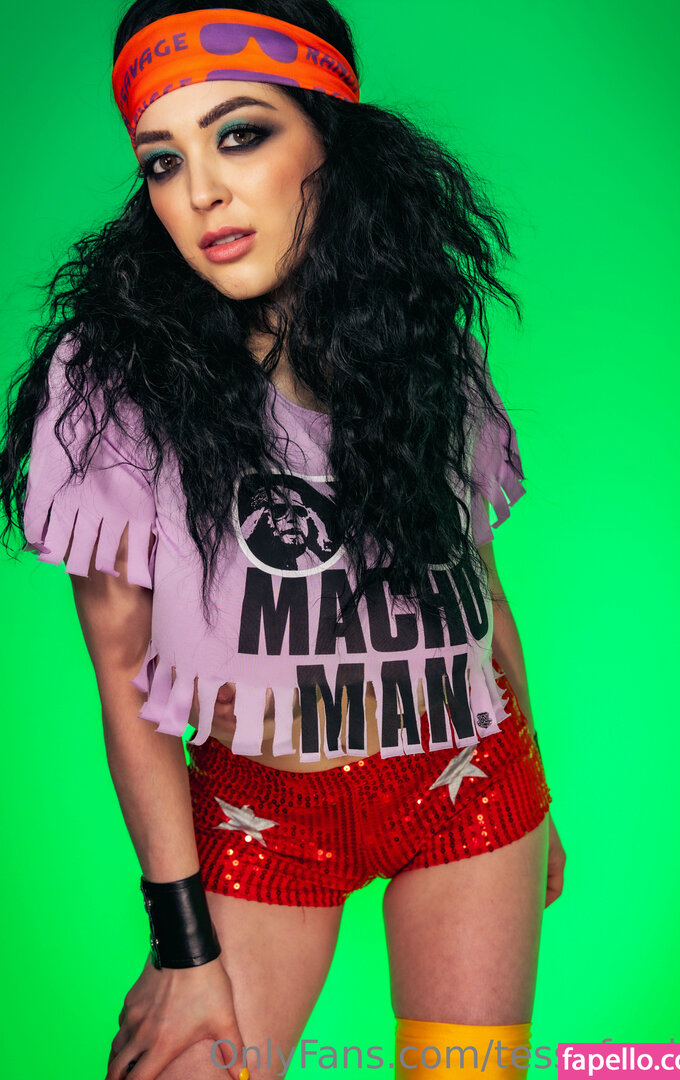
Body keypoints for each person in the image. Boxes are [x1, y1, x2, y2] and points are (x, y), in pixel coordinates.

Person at [0, 2, 566, 1078]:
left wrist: (536, 792)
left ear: (330, 137)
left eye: (241, 134)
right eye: (163, 160)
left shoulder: (422, 345)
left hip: (473, 784)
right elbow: (123, 678)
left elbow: (479, 586)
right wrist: (183, 946)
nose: (202, 191)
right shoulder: (115, 380)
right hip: (266, 815)